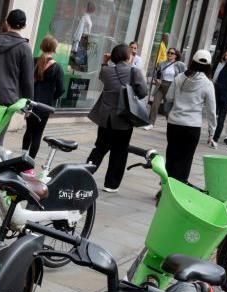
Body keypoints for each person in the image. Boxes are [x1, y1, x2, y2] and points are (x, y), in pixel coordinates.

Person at [86, 43, 148, 193]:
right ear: (128, 56)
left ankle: (85, 174)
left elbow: (101, 75)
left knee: (99, 148)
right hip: (124, 120)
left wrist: (105, 61)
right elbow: (143, 92)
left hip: (106, 119)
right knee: (119, 152)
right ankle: (111, 184)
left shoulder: (107, 71)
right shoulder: (135, 72)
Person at [163, 49, 216, 183]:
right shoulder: (208, 84)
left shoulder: (179, 77)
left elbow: (169, 97)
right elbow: (211, 110)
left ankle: (165, 186)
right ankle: (177, 189)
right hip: (192, 126)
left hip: (174, 123)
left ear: (192, 62)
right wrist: (212, 130)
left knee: (171, 156)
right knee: (185, 159)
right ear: (209, 66)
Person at [22, 35, 64, 162]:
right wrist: (51, 98)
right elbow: (61, 89)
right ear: (54, 49)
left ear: (41, 47)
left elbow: (25, 81)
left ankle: (22, 158)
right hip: (44, 106)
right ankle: (29, 164)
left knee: (28, 131)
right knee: (37, 134)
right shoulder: (57, 68)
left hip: (31, 104)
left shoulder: (33, 61)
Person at [146, 47, 185, 129]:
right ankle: (151, 123)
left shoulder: (180, 65)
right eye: (168, 52)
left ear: (176, 55)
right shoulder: (162, 63)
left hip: (171, 87)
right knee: (155, 105)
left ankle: (171, 125)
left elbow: (184, 75)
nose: (169, 54)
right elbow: (157, 74)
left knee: (167, 108)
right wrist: (157, 79)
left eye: (172, 53)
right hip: (161, 85)